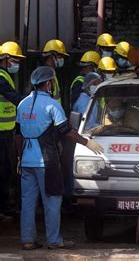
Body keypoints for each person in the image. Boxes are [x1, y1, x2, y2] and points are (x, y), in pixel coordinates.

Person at [16, 66, 104, 250]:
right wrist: (86, 142)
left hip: (26, 161)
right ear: (49, 84)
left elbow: (17, 135)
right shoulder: (52, 105)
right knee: (52, 200)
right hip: (46, 161)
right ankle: (54, 240)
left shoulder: (22, 104)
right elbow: (66, 131)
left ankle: (27, 240)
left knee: (28, 202)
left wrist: (19, 158)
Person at [0, 42, 26, 220]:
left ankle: (5, 205)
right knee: (2, 171)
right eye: (15, 60)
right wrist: (30, 104)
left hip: (6, 132)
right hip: (1, 133)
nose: (16, 64)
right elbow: (13, 97)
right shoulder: (1, 78)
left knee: (7, 170)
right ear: (6, 59)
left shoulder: (5, 76)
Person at [42, 39, 69, 105]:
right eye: (60, 56)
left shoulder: (52, 74)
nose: (62, 59)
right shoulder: (46, 75)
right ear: (52, 56)